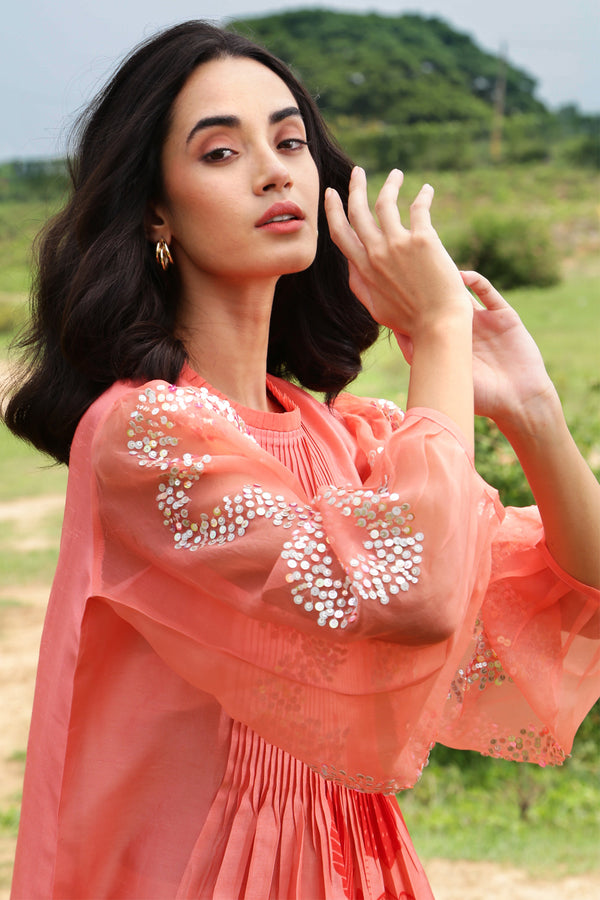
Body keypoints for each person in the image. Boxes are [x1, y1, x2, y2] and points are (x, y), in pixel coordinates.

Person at [4, 20, 599, 900]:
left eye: (289, 140)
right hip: (192, 875)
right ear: (154, 210)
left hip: (350, 868)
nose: (276, 169)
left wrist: (534, 411)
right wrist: (436, 333)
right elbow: (414, 592)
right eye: (220, 152)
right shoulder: (145, 436)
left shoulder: (340, 440)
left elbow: (570, 582)